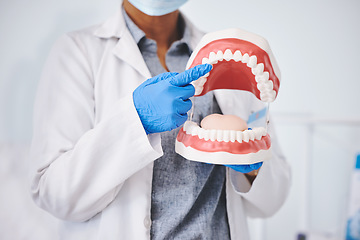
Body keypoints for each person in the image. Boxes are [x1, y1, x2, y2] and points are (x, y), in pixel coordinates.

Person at [29, 0, 291, 239]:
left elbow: (274, 198)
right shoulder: (78, 51)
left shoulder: (228, 55)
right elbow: (55, 194)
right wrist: (135, 120)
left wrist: (252, 163)